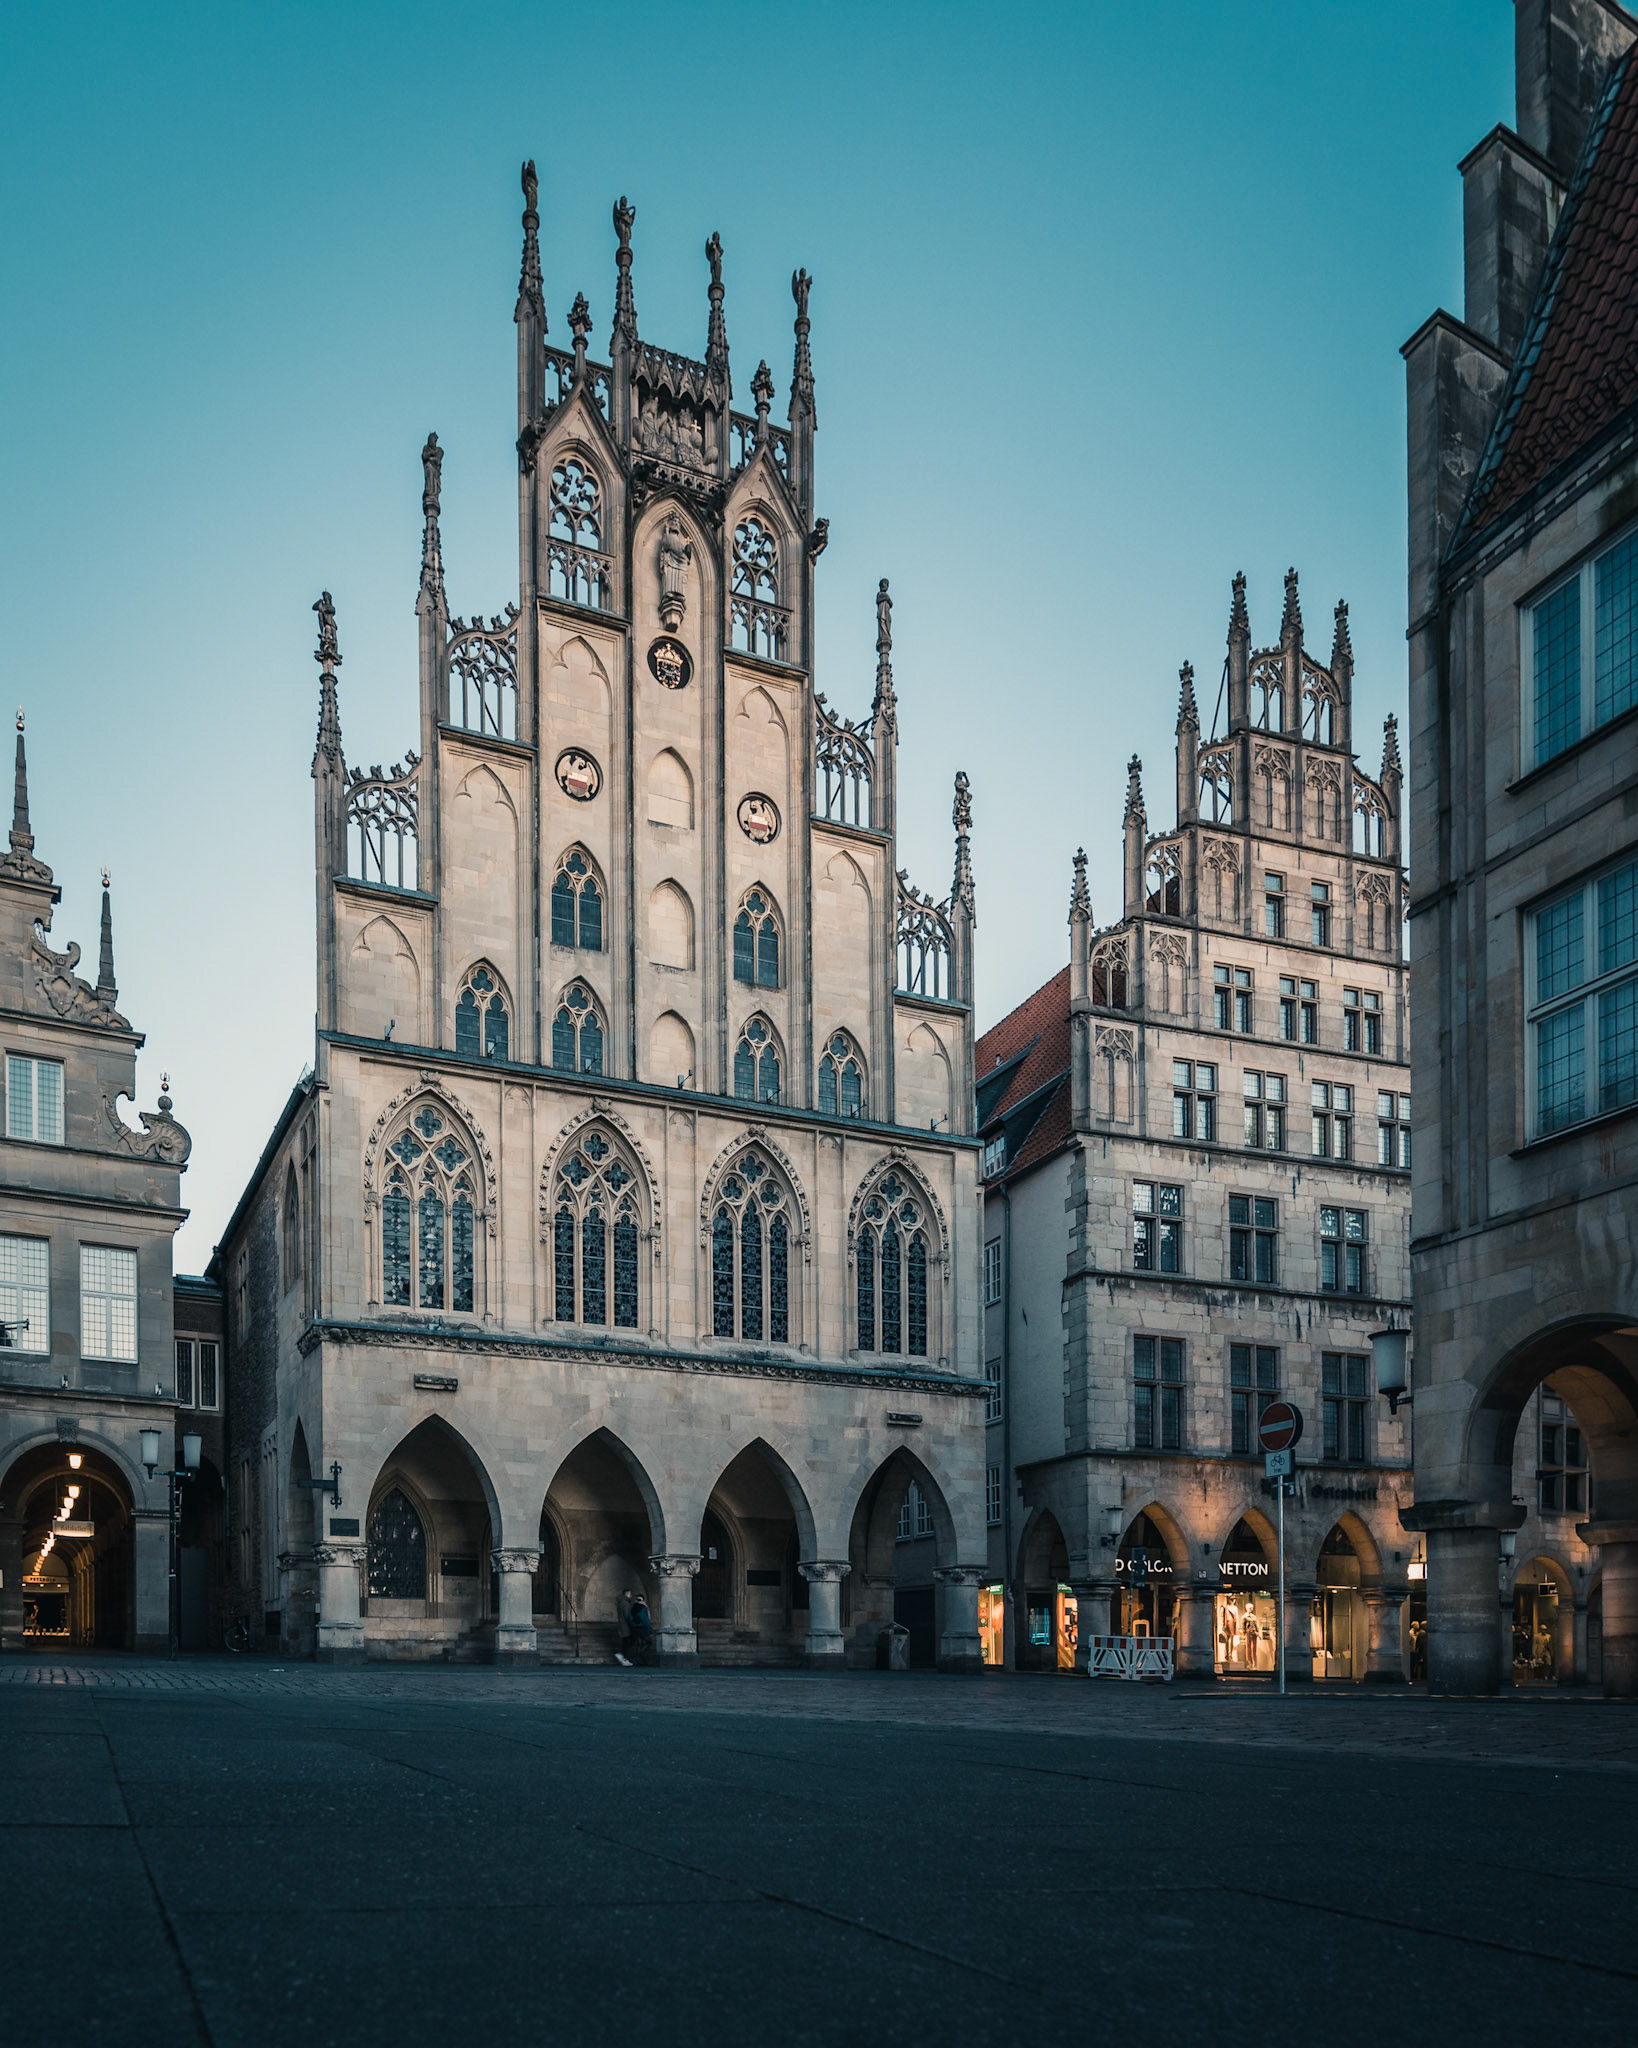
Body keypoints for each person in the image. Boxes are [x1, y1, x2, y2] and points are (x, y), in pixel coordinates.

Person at [629, 1591, 654, 1664]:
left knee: (638, 1644)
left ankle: (637, 1659)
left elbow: (630, 1618)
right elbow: (645, 1620)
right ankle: (642, 1657)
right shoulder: (643, 1608)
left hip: (634, 1628)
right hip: (642, 1628)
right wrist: (650, 1630)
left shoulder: (632, 1607)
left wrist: (633, 1624)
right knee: (648, 1642)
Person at [614, 1588, 634, 1667]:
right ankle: (624, 1657)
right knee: (627, 1643)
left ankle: (623, 1657)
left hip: (622, 1625)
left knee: (625, 1642)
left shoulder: (621, 1603)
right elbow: (627, 1616)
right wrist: (632, 1623)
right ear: (627, 1594)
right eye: (630, 1594)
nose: (631, 1596)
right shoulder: (625, 1603)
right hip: (626, 1626)